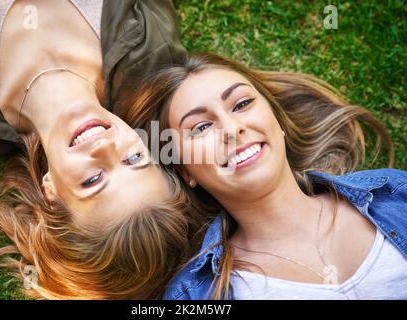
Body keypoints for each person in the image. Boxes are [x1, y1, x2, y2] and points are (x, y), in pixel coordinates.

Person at [0, 0, 206, 299]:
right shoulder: (148, 45)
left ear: (51, 195)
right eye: (134, 158)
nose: (104, 147)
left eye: (92, 181)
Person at [126, 52, 407, 299]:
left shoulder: (395, 191)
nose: (232, 129)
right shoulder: (194, 295)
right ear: (186, 170)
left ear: (277, 120)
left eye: (241, 104)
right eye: (200, 127)